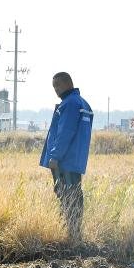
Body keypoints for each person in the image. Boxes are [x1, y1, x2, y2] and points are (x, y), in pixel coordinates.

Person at [39, 72, 93, 242]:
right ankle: (74, 233)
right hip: (75, 160)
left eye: (58, 85)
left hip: (63, 161)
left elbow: (64, 133)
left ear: (68, 83)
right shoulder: (83, 104)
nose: (56, 89)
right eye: (54, 86)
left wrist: (54, 156)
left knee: (66, 196)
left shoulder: (69, 104)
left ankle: (71, 235)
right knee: (74, 195)